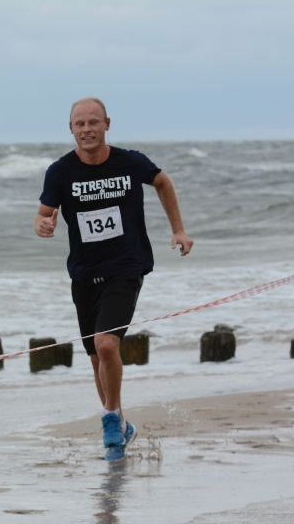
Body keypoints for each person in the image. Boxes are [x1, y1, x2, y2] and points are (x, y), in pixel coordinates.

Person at [34, 97, 193, 460]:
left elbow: (163, 182)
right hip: (84, 274)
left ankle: (108, 417)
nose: (87, 129)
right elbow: (43, 213)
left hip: (126, 267)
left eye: (94, 122)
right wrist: (42, 225)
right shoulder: (60, 172)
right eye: (80, 124)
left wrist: (178, 230)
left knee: (107, 345)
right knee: (96, 358)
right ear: (71, 129)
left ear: (107, 124)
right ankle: (120, 424)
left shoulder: (130, 162)